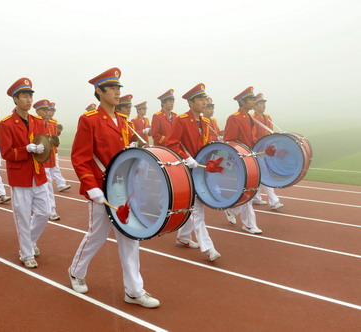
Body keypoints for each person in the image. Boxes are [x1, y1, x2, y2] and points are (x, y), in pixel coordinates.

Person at [69, 67, 160, 308]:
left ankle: (133, 290)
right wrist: (91, 186)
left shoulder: (122, 121)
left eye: (119, 87)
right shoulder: (89, 120)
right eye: (111, 88)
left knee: (130, 237)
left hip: (124, 189)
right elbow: (80, 158)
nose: (117, 92)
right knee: (97, 235)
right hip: (101, 188)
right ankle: (76, 271)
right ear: (99, 91)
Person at [164, 83, 221, 261]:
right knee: (197, 210)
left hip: (202, 170)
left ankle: (183, 237)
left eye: (205, 99)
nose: (204, 102)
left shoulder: (206, 122)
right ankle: (209, 247)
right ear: (191, 102)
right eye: (201, 99)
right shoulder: (181, 120)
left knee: (196, 206)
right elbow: (170, 143)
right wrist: (186, 157)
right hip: (187, 170)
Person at [0, 77, 51, 269]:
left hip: (38, 174)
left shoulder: (38, 121)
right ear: (15, 99)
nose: (28, 100)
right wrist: (25, 150)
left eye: (30, 96)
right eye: (24, 96)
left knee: (44, 213)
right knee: (22, 215)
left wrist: (41, 149)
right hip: (20, 176)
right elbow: (6, 153)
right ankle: (26, 253)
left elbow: (43, 144)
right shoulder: (6, 124)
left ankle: (29, 242)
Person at [223, 86, 263, 234]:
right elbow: (229, 140)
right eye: (251, 99)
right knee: (248, 191)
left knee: (248, 190)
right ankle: (249, 223)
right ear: (242, 102)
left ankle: (231, 209)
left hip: (250, 158)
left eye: (253, 99)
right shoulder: (234, 118)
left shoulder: (250, 118)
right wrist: (241, 155)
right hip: (240, 160)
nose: (253, 101)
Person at [251, 93, 284, 210]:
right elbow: (252, 136)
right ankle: (274, 201)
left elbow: (271, 132)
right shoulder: (253, 119)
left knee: (260, 175)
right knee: (266, 174)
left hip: (268, 150)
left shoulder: (268, 117)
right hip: (259, 150)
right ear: (254, 106)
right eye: (260, 103)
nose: (263, 105)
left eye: (264, 103)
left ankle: (255, 197)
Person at [33, 99, 62, 221]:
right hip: (38, 159)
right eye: (44, 110)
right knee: (45, 185)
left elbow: (54, 139)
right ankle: (51, 209)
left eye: (48, 110)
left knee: (47, 184)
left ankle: (47, 208)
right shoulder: (33, 123)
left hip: (50, 158)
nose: (47, 112)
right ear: (37, 111)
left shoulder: (52, 124)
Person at [47, 102, 71, 192]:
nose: (52, 112)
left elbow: (55, 135)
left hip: (53, 150)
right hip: (45, 150)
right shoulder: (41, 121)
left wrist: (58, 132)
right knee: (49, 169)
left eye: (53, 110)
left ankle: (61, 184)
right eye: (50, 110)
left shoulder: (54, 121)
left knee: (55, 167)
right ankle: (60, 184)